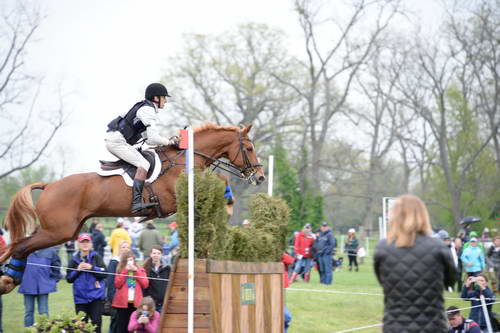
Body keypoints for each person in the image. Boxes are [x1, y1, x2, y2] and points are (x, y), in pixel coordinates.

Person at [374, 194, 456, 332]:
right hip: (433, 326)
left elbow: (382, 281)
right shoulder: (438, 246)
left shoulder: (383, 248)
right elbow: (451, 281)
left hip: (395, 327)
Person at [105, 82, 178, 213]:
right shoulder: (147, 110)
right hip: (117, 142)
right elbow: (152, 138)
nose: (166, 101)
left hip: (119, 140)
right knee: (144, 164)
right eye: (164, 98)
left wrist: (167, 141)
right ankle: (136, 203)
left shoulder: (144, 106)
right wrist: (169, 141)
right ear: (156, 98)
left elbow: (149, 140)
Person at [67, 233, 107, 333]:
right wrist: (78, 270)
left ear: (91, 244)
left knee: (96, 325)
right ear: (78, 244)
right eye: (82, 242)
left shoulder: (96, 257)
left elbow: (105, 273)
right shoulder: (73, 260)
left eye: (87, 242)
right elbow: (69, 278)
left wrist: (92, 268)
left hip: (95, 298)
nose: (85, 244)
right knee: (81, 327)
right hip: (80, 299)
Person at [18, 246, 61, 327]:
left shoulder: (50, 250)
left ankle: (45, 330)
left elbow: (56, 265)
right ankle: (29, 330)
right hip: (28, 285)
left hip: (43, 287)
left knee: (43, 312)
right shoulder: (25, 248)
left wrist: (54, 279)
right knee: (28, 312)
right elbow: (18, 265)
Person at [112, 251, 149, 333]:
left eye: (131, 260)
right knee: (122, 326)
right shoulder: (120, 270)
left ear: (134, 260)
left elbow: (145, 284)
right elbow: (117, 284)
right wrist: (125, 271)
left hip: (136, 304)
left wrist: (136, 271)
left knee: (134, 327)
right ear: (124, 261)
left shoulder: (140, 269)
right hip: (122, 304)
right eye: (128, 260)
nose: (130, 262)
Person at [106, 240, 131, 333]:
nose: (125, 249)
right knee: (115, 322)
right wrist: (112, 298)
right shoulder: (114, 262)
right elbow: (110, 281)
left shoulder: (130, 263)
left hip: (127, 299)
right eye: (123, 247)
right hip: (116, 298)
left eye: (127, 247)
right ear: (119, 249)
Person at [143, 246, 170, 312]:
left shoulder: (167, 268)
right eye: (154, 253)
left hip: (163, 303)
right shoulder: (145, 268)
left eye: (158, 253)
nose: (156, 255)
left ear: (162, 255)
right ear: (150, 254)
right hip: (150, 304)